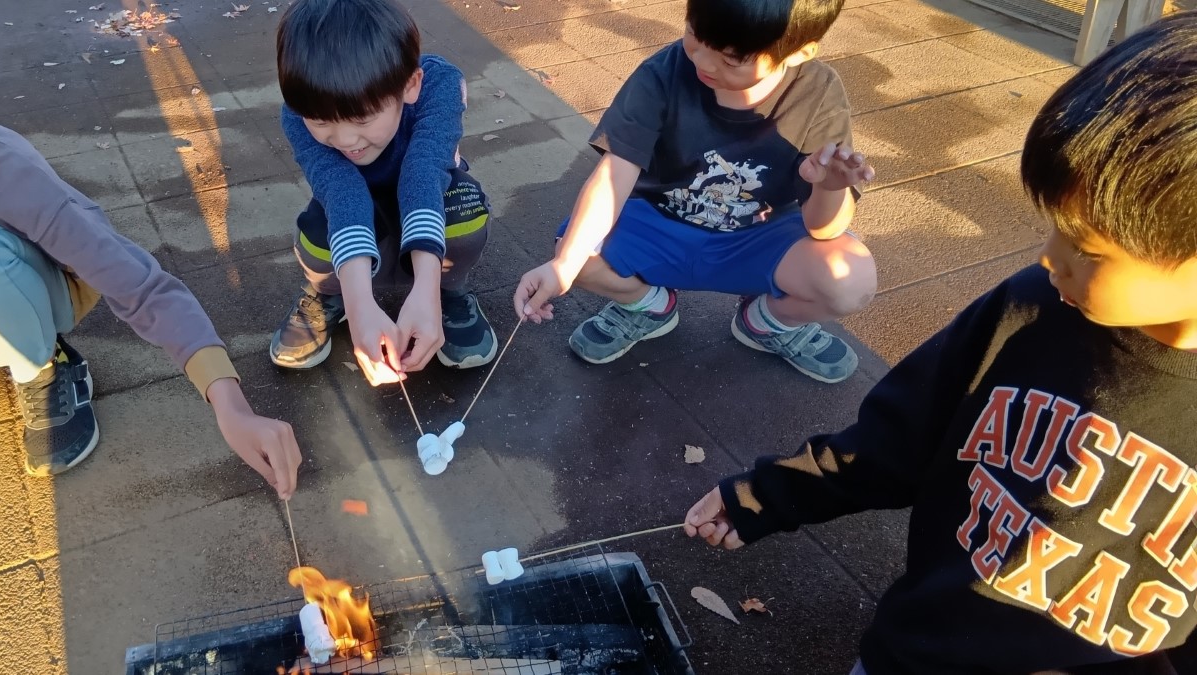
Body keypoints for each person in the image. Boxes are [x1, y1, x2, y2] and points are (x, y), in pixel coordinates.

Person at [685, 13, 1197, 674]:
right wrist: (764, 496)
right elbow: (893, 439)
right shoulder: (1029, 311)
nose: (1049, 258)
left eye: (1088, 249)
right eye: (1055, 228)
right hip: (914, 654)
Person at [514, 0, 876, 383]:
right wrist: (565, 265)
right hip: (661, 224)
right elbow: (613, 175)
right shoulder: (663, 72)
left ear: (800, 51)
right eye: (694, 33)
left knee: (850, 280)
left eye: (732, 58)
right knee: (575, 251)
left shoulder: (817, 93)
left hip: (756, 238)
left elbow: (823, 229)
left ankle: (766, 323)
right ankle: (649, 307)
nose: (702, 61)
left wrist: (830, 186)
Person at [0, 125, 301, 498]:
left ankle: (39, 360)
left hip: (38, 282)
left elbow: (142, 288)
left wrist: (231, 404)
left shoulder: (9, 173)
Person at [269, 0, 497, 386]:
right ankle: (332, 294)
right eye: (321, 121)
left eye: (361, 118)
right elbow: (341, 191)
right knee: (319, 236)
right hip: (353, 203)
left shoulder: (440, 85)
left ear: (410, 86)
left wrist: (427, 289)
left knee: (465, 212)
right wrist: (359, 306)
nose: (345, 140)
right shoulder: (297, 110)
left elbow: (423, 173)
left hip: (431, 191)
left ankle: (447, 291)